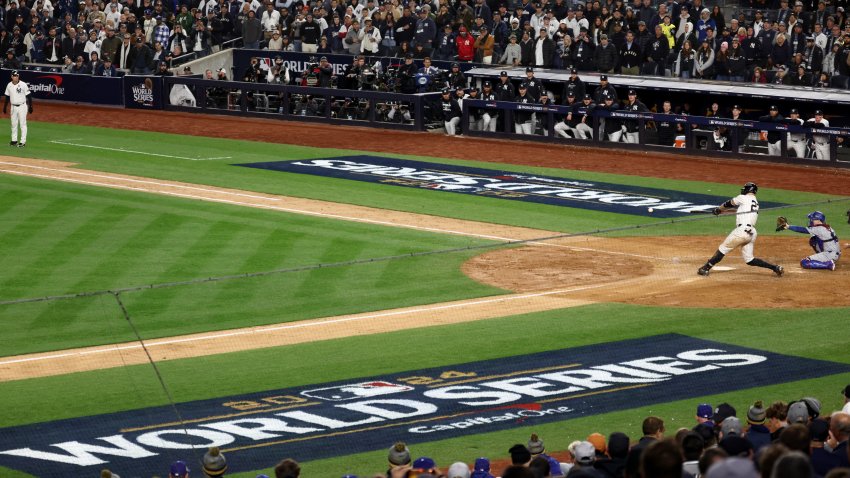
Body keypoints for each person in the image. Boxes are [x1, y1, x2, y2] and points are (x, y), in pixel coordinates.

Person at [697, 182, 784, 277]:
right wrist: (721, 211)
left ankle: (705, 268)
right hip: (752, 232)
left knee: (722, 249)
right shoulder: (754, 201)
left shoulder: (743, 198)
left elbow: (728, 204)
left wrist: (719, 209)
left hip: (741, 231)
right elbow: (741, 211)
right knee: (749, 260)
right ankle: (775, 268)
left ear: (749, 189)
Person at [2, 70, 31, 147]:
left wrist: (30, 106)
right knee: (13, 124)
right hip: (13, 107)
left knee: (22, 124)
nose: (16, 77)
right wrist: (4, 107)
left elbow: (29, 96)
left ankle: (23, 142)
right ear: (11, 76)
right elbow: (7, 97)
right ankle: (14, 140)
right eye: (14, 76)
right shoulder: (9, 85)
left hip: (22, 106)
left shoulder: (23, 84)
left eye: (17, 76)